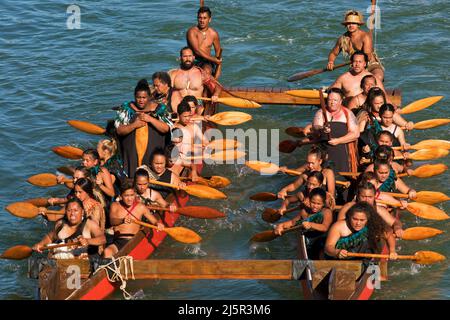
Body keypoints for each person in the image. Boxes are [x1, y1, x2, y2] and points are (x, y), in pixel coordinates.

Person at [115, 79, 171, 177]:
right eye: (138, 97)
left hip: (152, 153)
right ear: (134, 97)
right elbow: (119, 130)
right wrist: (134, 125)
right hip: (131, 155)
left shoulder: (160, 109)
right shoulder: (126, 109)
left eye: (144, 97)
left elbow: (166, 128)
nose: (141, 100)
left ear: (149, 97)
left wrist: (150, 119)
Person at [103, 180, 164, 258]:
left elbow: (154, 221)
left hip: (134, 242)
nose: (129, 199)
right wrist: (122, 220)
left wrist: (158, 224)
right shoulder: (115, 205)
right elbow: (112, 221)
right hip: (119, 242)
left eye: (131, 195)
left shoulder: (141, 207)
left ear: (135, 194)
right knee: (107, 252)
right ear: (121, 196)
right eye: (126, 196)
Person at [32, 198, 106, 259]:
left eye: (76, 210)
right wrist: (40, 244)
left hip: (85, 265)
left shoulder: (90, 224)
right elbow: (49, 237)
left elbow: (102, 239)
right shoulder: (60, 224)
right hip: (61, 265)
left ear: (82, 212)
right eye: (69, 210)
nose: (72, 214)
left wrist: (88, 241)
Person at [325, 202, 397, 260]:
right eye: (355, 219)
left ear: (367, 219)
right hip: (337, 260)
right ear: (349, 217)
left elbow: (389, 235)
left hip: (362, 260)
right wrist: (336, 252)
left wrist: (392, 251)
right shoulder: (338, 226)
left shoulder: (373, 225)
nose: (358, 223)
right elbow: (328, 246)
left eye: (362, 220)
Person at [327, 10, 384, 83]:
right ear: (346, 25)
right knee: (346, 82)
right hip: (355, 66)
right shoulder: (342, 39)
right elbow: (333, 53)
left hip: (370, 64)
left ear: (358, 25)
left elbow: (367, 57)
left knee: (378, 76)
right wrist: (331, 62)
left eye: (354, 23)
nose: (351, 25)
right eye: (349, 23)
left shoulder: (365, 37)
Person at [312, 88, 359, 176]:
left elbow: (355, 134)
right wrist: (322, 129)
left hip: (343, 153)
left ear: (341, 101)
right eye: (330, 100)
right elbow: (316, 127)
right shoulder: (321, 112)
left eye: (335, 100)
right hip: (325, 151)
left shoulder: (347, 113)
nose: (332, 102)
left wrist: (338, 140)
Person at [275, 188, 333, 259]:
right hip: (308, 241)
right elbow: (293, 222)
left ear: (323, 203)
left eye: (318, 204)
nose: (315, 206)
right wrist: (281, 225)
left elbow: (325, 227)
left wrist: (311, 224)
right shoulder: (305, 211)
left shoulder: (326, 212)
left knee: (320, 249)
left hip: (322, 240)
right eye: (313, 202)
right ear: (309, 200)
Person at [336, 181, 404, 238]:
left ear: (374, 196)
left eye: (370, 197)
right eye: (363, 197)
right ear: (358, 196)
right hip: (351, 239)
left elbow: (395, 222)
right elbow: (338, 228)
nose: (366, 200)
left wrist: (397, 228)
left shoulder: (378, 209)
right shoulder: (348, 208)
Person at [169, 47, 221, 112]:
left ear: (193, 57)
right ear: (180, 58)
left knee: (200, 109)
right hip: (179, 107)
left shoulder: (201, 73)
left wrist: (215, 95)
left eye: (190, 56)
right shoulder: (173, 74)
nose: (188, 59)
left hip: (196, 106)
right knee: (174, 93)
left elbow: (217, 86)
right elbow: (165, 90)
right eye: (185, 56)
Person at [186, 6, 222, 78]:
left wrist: (217, 73)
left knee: (207, 70)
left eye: (205, 18)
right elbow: (197, 51)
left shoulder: (213, 34)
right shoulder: (192, 32)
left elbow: (218, 56)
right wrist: (214, 60)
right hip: (193, 60)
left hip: (207, 62)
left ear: (209, 19)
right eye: (200, 18)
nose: (202, 21)